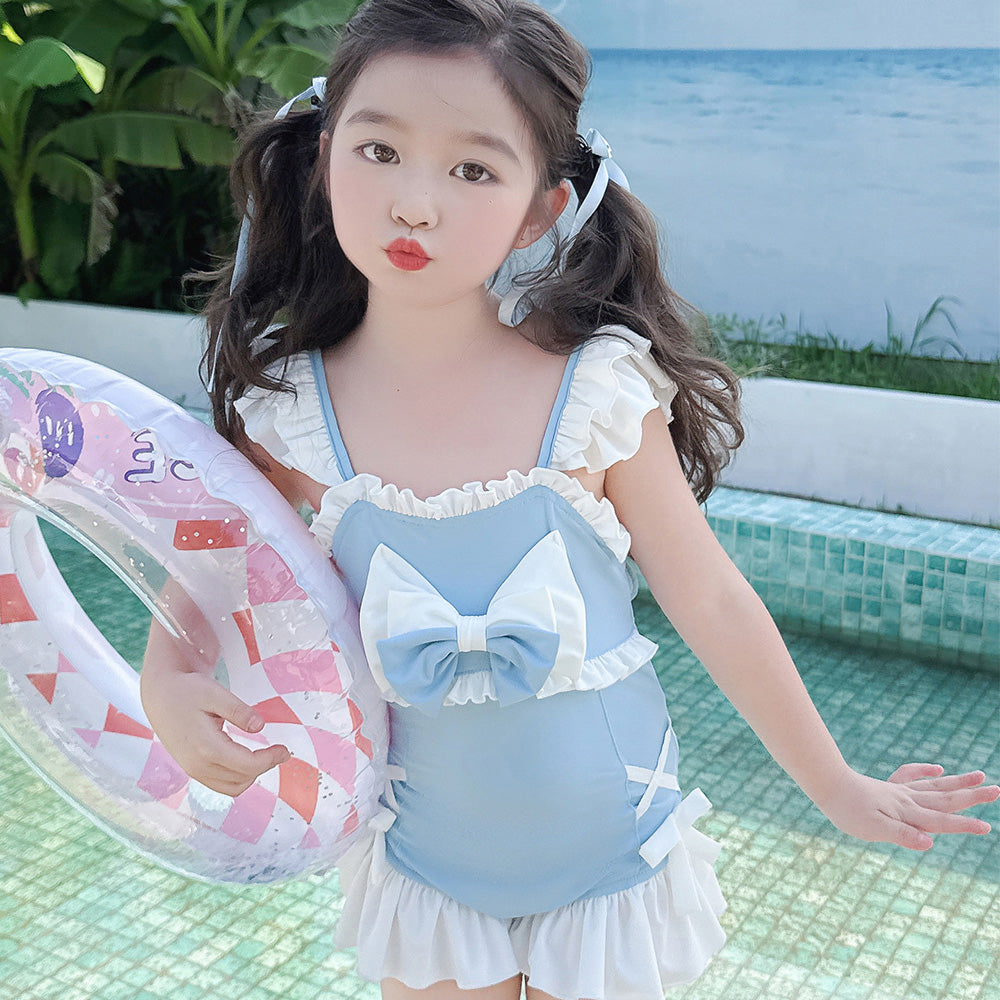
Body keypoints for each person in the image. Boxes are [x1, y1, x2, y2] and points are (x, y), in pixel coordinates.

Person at [139, 1, 999, 998]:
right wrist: (166, 680)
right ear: (327, 157)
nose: (415, 203)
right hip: (428, 865)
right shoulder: (288, 414)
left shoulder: (593, 390)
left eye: (472, 170)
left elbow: (712, 600)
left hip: (611, 864)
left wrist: (835, 785)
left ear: (540, 210)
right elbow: (209, 570)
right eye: (379, 151)